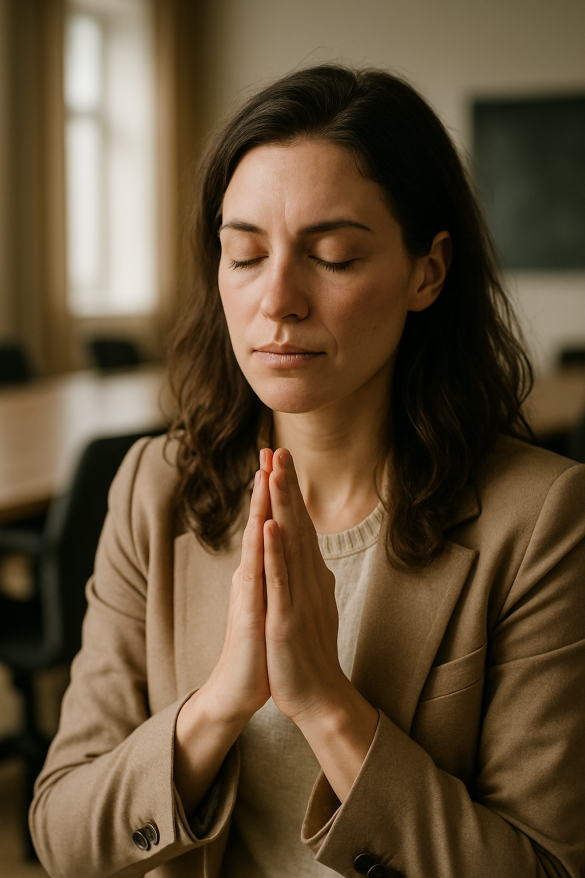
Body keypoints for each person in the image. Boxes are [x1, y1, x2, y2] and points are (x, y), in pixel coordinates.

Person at [30, 65, 585, 878]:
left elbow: (542, 868)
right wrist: (222, 700)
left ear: (427, 272)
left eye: (331, 256)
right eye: (245, 254)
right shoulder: (155, 489)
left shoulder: (538, 517)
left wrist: (328, 703)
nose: (277, 299)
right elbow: (65, 835)